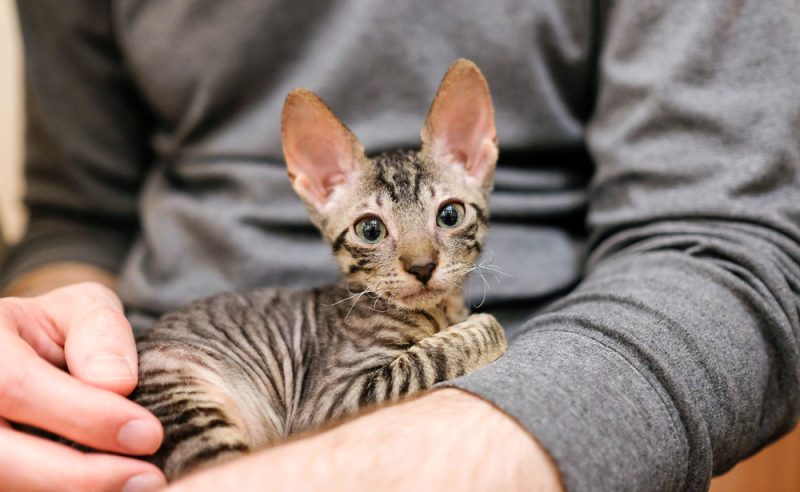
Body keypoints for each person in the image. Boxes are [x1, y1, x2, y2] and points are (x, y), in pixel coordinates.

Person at [1, 1, 799, 491]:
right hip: (149, 391)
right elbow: (78, 211)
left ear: (478, 156)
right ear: (319, 189)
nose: (419, 259)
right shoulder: (364, 327)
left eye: (449, 218)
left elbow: (724, 235)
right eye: (376, 232)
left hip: (548, 412)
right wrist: (52, 363)